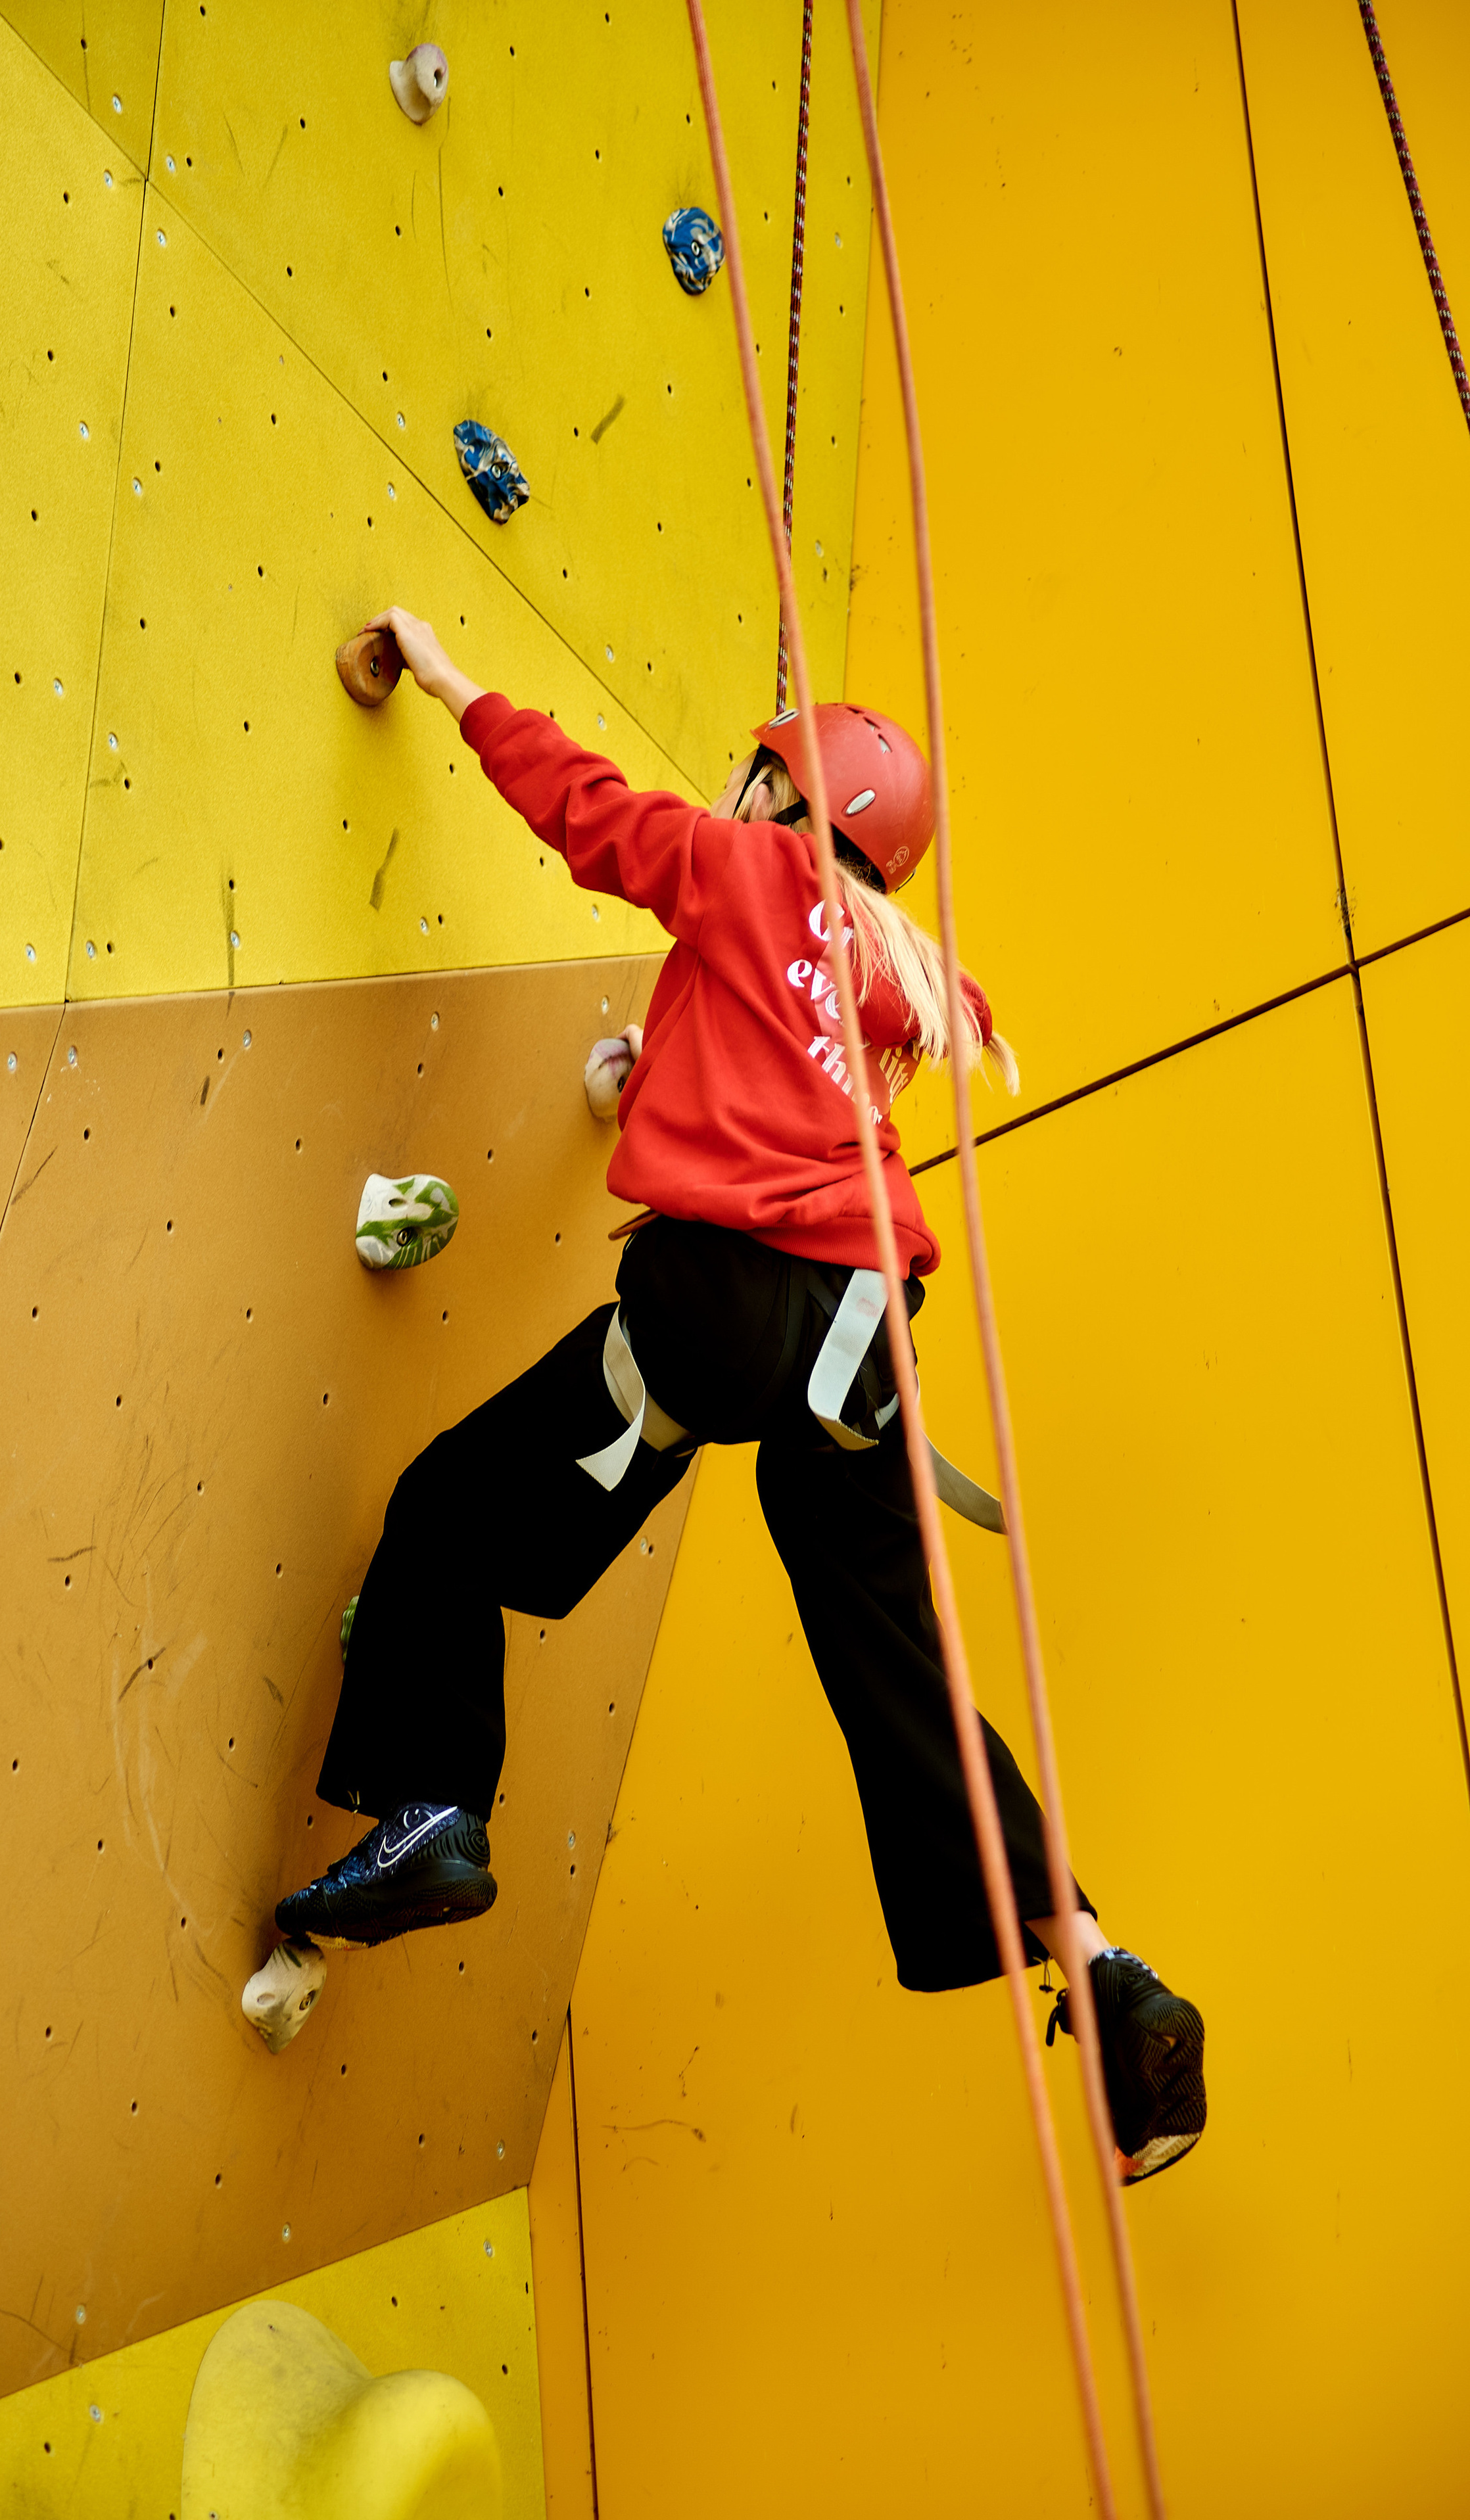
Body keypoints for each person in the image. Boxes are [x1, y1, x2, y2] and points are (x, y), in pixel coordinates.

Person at [270, 605, 1207, 2186]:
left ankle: (436, 1808)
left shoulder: (750, 873)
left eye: (753, 773)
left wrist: (444, 672)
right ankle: (1105, 1973)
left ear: (788, 799)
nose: (732, 787)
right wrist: (651, 1074)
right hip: (863, 1339)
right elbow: (777, 1065)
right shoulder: (902, 975)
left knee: (449, 1508)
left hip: (724, 1312)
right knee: (897, 1676)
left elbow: (589, 812)